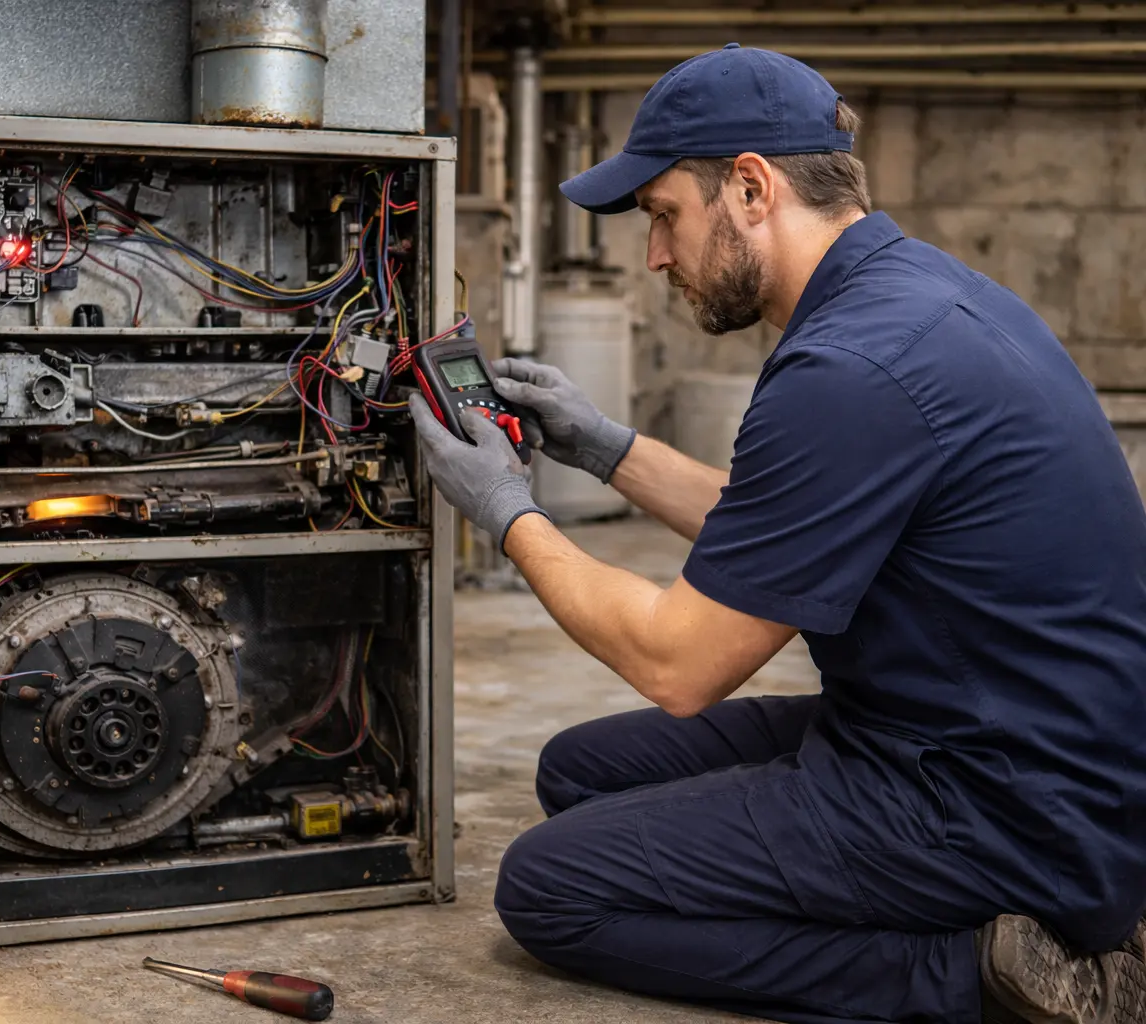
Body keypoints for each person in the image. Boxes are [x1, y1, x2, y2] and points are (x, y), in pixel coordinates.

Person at [407, 43, 1146, 1024]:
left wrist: (508, 511)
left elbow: (680, 662)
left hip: (1004, 808)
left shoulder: (849, 368)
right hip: (994, 743)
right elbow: (788, 525)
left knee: (551, 887)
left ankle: (987, 972)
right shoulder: (918, 297)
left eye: (664, 216)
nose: (657, 256)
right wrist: (600, 446)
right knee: (578, 774)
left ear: (751, 188)